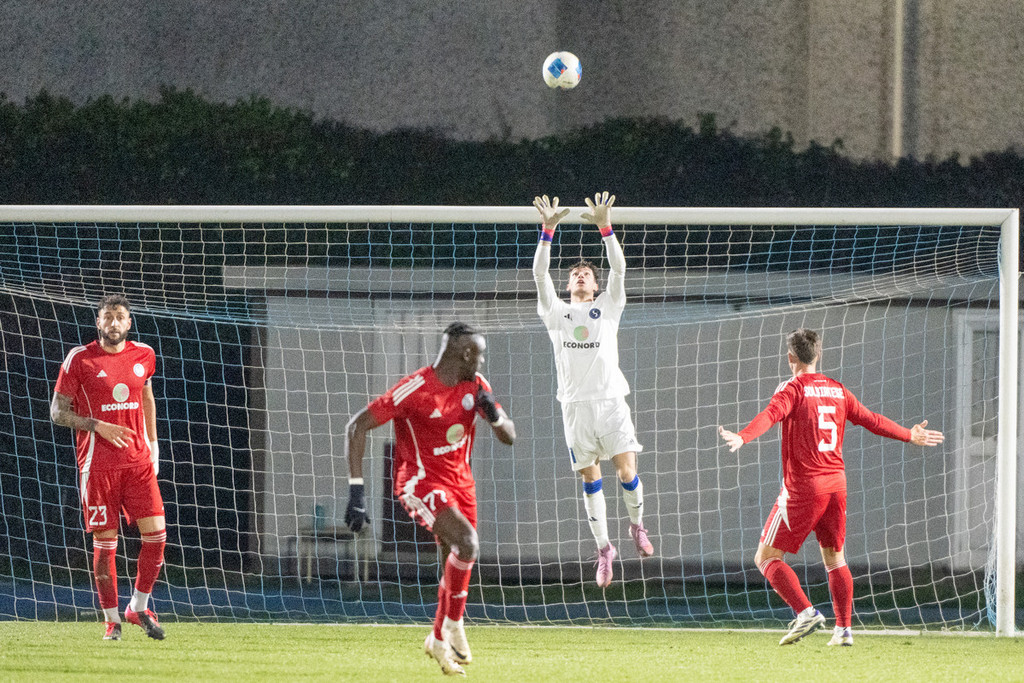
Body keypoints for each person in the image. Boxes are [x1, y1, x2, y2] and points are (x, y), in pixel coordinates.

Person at [718, 328, 944, 646]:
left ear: (790, 357)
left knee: (766, 557)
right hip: (836, 485)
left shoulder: (793, 388)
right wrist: (909, 434)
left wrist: (743, 436)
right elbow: (871, 419)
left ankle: (806, 612)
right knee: (835, 558)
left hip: (804, 488)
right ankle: (843, 630)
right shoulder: (838, 390)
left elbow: (770, 415)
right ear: (818, 354)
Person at [343, 322, 515, 676]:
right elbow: (357, 426)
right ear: (465, 354)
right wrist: (356, 492)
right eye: (480, 355)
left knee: (456, 560)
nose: (482, 362)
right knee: (468, 544)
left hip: (462, 485)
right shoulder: (416, 389)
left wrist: (495, 416)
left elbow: (510, 437)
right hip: (420, 482)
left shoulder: (476, 386)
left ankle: (441, 635)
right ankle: (451, 626)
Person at [532, 191, 653, 590]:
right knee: (590, 479)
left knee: (627, 471)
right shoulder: (556, 312)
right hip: (575, 407)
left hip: (611, 402)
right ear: (568, 285)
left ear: (597, 285)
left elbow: (620, 269)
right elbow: (539, 275)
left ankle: (637, 525)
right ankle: (604, 549)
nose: (581, 276)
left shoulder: (609, 307)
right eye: (575, 274)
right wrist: (547, 231)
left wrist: (606, 227)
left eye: (587, 273)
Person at [50, 294, 167, 642]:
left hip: (138, 461)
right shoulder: (80, 359)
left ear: (129, 323)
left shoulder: (144, 354)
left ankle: (138, 606)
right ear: (98, 322)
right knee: (105, 543)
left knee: (157, 536)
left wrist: (153, 444)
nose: (114, 323)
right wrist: (96, 425)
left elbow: (146, 397)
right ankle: (112, 620)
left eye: (120, 317)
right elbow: (57, 412)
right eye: (108, 317)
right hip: (98, 465)